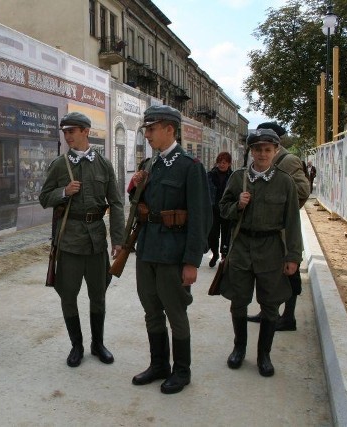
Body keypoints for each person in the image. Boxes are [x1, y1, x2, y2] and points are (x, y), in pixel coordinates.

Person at [129, 105, 211, 394]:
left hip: (173, 254)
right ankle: (159, 365)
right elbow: (138, 208)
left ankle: (182, 370)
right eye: (146, 129)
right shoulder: (149, 166)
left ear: (169, 130)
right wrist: (134, 188)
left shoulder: (190, 167)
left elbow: (201, 218)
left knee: (176, 314)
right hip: (148, 251)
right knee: (151, 311)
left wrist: (192, 262)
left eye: (152, 129)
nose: (147, 134)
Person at [39, 111, 124, 368]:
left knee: (98, 295)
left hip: (96, 240)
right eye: (65, 132)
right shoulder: (58, 165)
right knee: (68, 295)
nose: (68, 137)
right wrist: (63, 192)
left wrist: (117, 240)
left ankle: (98, 344)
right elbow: (44, 198)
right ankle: (77, 345)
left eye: (72, 132)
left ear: (86, 132)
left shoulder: (104, 164)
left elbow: (117, 204)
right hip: (70, 241)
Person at [219, 128, 302, 377]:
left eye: (267, 149)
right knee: (238, 302)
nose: (262, 154)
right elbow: (222, 209)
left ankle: (264, 355)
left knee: (270, 305)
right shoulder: (237, 178)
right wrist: (237, 206)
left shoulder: (284, 181)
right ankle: (239, 348)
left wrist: (293, 257)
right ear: (251, 152)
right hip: (242, 247)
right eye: (257, 149)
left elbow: (292, 222)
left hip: (271, 251)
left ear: (276, 151)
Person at [246, 122, 310, 332]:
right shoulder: (262, 157)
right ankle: (267, 312)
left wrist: (283, 204)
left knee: (289, 275)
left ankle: (288, 317)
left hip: (281, 230)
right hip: (265, 229)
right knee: (267, 277)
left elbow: (303, 189)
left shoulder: (288, 160)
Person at [207, 152, 233, 267]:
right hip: (213, 209)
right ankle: (215, 253)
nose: (221, 165)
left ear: (229, 164)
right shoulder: (210, 175)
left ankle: (224, 255)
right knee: (213, 234)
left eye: (224, 163)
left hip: (226, 209)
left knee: (226, 233)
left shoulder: (233, 176)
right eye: (220, 162)